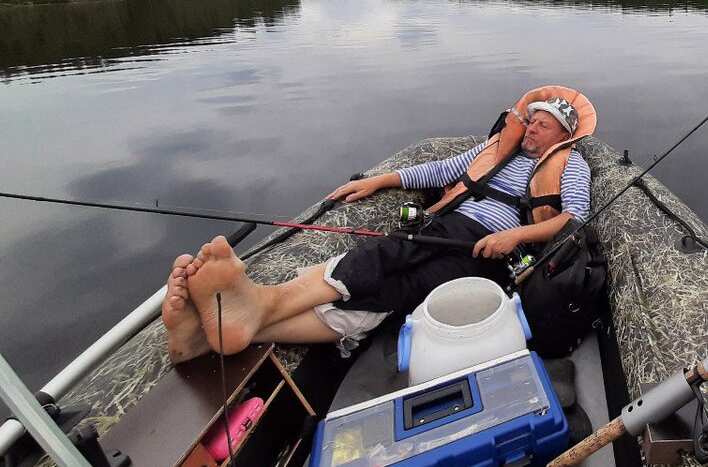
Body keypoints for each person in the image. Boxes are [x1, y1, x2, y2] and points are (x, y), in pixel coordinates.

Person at [162, 91, 593, 364]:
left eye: (544, 125)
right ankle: (224, 330)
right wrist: (378, 180)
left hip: (487, 254)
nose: (532, 128)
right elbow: (440, 169)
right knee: (383, 262)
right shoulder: (495, 150)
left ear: (563, 136)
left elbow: (574, 219)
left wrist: (514, 235)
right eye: (531, 121)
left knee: (397, 288)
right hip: (445, 226)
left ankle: (255, 308)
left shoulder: (569, 165)